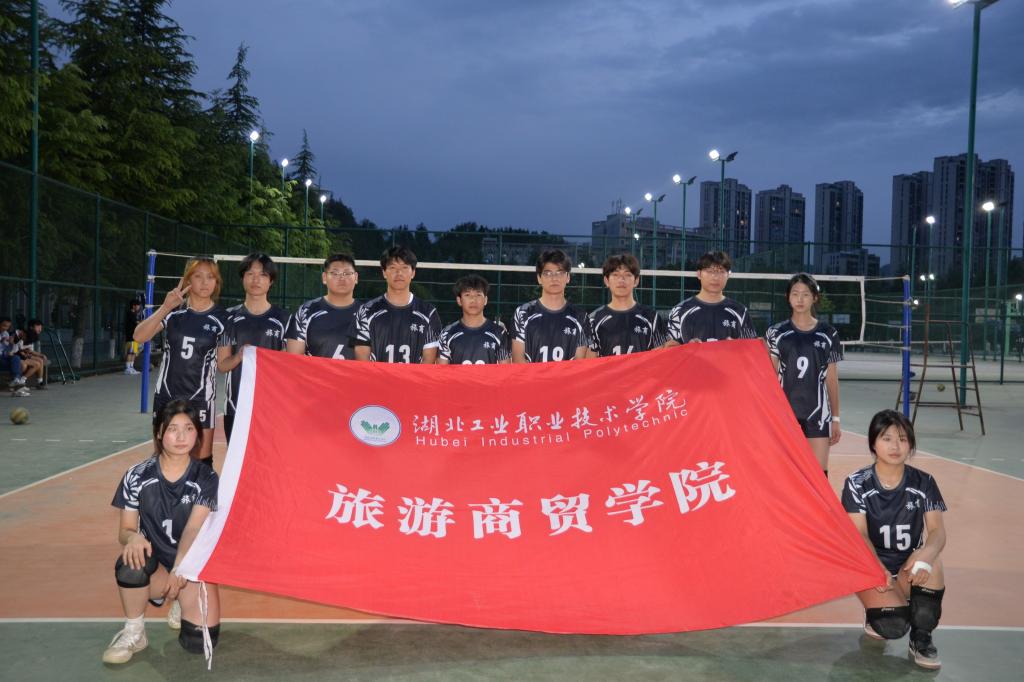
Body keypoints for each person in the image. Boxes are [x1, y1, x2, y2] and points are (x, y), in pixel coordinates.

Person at [103, 400, 221, 664]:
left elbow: (193, 528)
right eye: (172, 429)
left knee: (198, 644)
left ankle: (181, 599)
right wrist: (133, 537)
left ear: (197, 434)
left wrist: (179, 568)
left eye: (189, 429)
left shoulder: (207, 478)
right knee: (130, 562)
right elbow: (125, 530)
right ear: (159, 433)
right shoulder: (136, 476)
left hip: (189, 568)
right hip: (155, 567)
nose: (181, 437)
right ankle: (134, 632)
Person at [842, 409, 947, 671]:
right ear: (873, 443)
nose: (895, 446)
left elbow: (937, 532)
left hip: (907, 566)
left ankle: (921, 637)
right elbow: (858, 534)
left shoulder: (924, 482)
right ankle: (881, 608)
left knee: (932, 563)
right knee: (892, 626)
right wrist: (877, 568)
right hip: (871, 567)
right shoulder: (856, 483)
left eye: (902, 439)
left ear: (911, 444)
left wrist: (924, 556)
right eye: (886, 438)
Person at [134, 257, 229, 468]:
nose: (204, 282)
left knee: (201, 464)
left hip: (201, 399)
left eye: (210, 277)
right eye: (198, 276)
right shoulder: (174, 313)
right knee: (164, 461)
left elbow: (223, 364)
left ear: (216, 282)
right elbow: (139, 336)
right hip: (167, 396)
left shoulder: (223, 318)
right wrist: (166, 306)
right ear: (187, 280)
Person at [765, 273, 842, 473]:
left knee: (818, 475)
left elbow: (831, 379)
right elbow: (770, 377)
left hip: (818, 413)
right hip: (784, 413)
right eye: (795, 294)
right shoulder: (776, 332)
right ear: (788, 297)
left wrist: (835, 418)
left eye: (806, 294)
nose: (800, 299)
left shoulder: (828, 333)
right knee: (784, 474)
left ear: (815, 297)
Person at [217, 254, 289, 443]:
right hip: (235, 407)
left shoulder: (284, 319)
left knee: (270, 459)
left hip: (272, 407)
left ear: (271, 281)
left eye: (263, 275)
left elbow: (290, 364)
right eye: (250, 274)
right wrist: (238, 357)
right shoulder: (228, 318)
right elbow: (222, 365)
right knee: (238, 460)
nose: (256, 280)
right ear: (243, 278)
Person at [352, 246, 441, 364]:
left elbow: (428, 361)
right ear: (384, 272)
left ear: (413, 273)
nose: (399, 273)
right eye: (393, 268)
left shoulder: (429, 312)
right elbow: (362, 359)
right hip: (377, 376)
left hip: (413, 376)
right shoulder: (366, 311)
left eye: (405, 267)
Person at [511, 249, 591, 363]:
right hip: (532, 375)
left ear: (568, 277)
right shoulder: (523, 313)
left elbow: (579, 363)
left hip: (567, 376)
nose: (554, 278)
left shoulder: (580, 317)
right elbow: (518, 359)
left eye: (560, 273)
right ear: (539, 278)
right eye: (548, 273)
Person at [664, 250, 757, 345]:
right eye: (710, 271)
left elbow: (752, 349)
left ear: (728, 275)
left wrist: (736, 347)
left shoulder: (740, 311)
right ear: (699, 274)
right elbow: (669, 350)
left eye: (721, 271)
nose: (715, 277)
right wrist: (688, 348)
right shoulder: (679, 311)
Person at [587, 254, 666, 357]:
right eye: (615, 275)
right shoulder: (594, 320)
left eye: (627, 275)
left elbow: (660, 359)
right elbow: (590, 362)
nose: (621, 280)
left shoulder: (652, 318)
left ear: (636, 281)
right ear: (606, 281)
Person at [286, 253, 361, 360]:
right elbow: (293, 359)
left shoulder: (367, 314)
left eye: (347, 273)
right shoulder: (306, 311)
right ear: (324, 277)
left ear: (356, 277)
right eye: (335, 273)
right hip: (314, 372)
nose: (342, 278)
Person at [437, 274, 511, 365]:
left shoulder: (499, 333)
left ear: (485, 300)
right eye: (467, 295)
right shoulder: (447, 333)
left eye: (478, 295)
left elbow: (505, 371)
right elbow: (442, 371)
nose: (473, 300)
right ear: (459, 300)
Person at [0, 317, 29, 396]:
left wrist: (11, 343)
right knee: (17, 364)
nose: (5, 328)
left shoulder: (5, 333)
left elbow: (8, 350)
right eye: (4, 325)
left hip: (3, 358)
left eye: (8, 326)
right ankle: (17, 387)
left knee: (16, 358)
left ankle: (16, 381)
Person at [124, 300, 143, 375]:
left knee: (134, 352)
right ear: (133, 306)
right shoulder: (130, 313)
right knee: (130, 352)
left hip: (135, 337)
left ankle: (131, 367)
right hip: (131, 337)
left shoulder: (134, 314)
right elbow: (137, 323)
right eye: (137, 305)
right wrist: (144, 322)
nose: (138, 307)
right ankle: (128, 368)